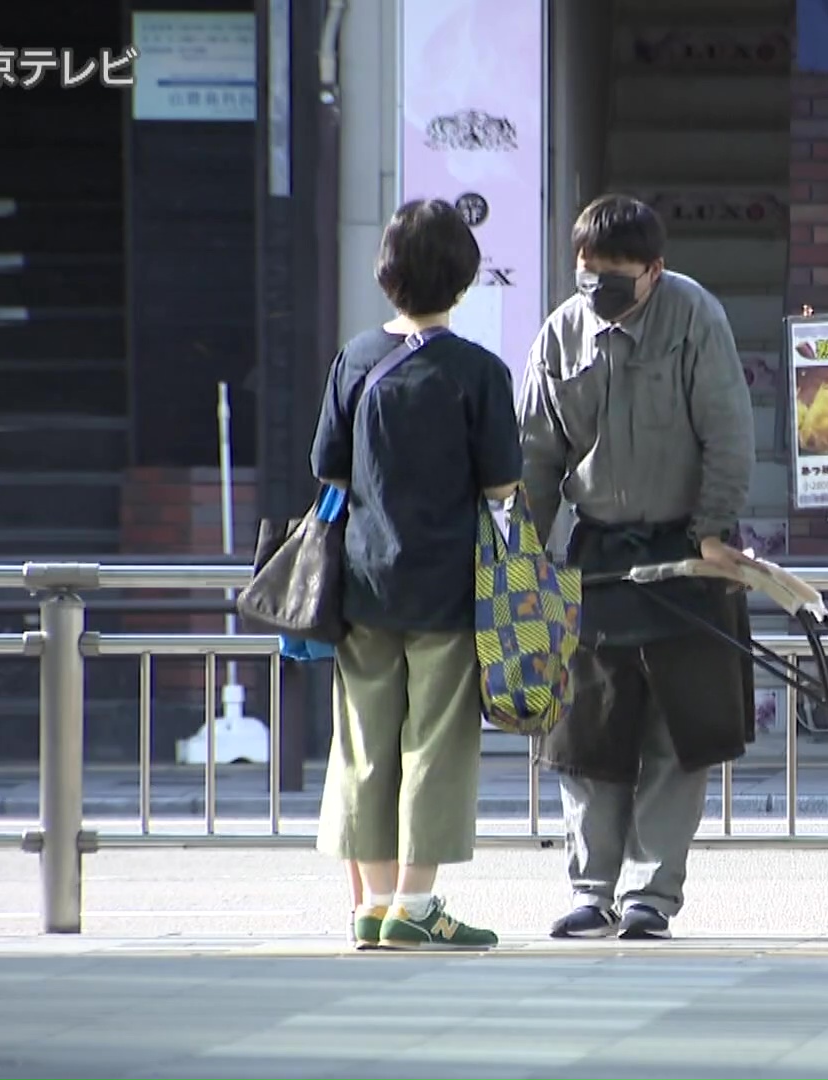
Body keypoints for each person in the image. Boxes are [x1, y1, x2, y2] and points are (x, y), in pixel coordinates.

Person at [520, 194, 755, 940]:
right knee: (587, 731)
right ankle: (591, 888)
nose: (601, 294)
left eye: (618, 279)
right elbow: (534, 453)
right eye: (590, 276)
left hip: (686, 549)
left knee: (675, 730)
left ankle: (652, 895)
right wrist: (523, 548)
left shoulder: (694, 318)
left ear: (655, 271)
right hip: (595, 552)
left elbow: (728, 430)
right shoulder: (559, 334)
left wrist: (714, 531)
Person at [310, 198, 522, 950]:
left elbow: (325, 465)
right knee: (433, 742)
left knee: (365, 741)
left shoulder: (356, 358)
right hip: (449, 588)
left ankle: (370, 905)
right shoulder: (478, 373)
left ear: (387, 275)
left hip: (363, 582)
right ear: (462, 280)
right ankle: (418, 903)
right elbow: (503, 485)